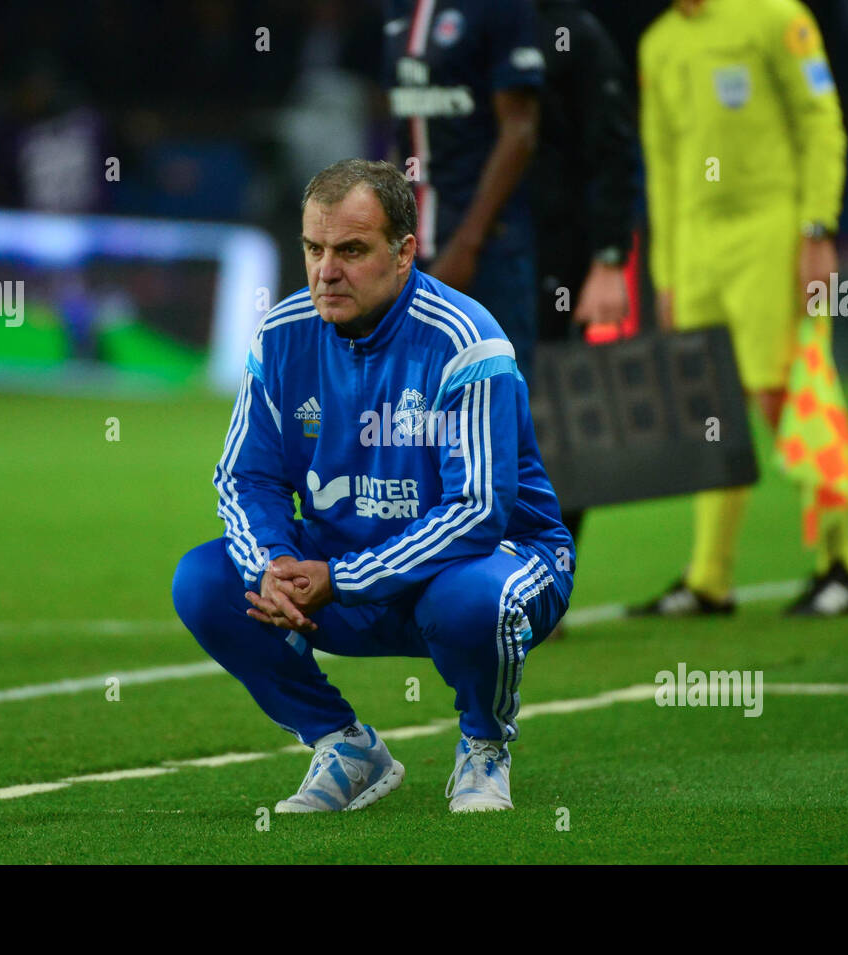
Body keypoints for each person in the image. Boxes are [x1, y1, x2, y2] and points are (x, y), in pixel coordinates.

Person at [172, 159, 574, 813]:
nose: (326, 271)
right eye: (314, 248)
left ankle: (484, 744)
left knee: (473, 598)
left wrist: (344, 578)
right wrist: (272, 563)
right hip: (343, 569)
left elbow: (476, 513)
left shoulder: (465, 342)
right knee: (207, 581)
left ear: (404, 252)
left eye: (351, 250)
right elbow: (246, 478)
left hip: (498, 562)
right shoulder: (280, 336)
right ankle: (342, 744)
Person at [633, 0, 848, 617]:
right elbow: (660, 163)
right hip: (696, 245)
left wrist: (817, 229)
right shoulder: (657, 42)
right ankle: (709, 577)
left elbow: (821, 120)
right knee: (711, 403)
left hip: (773, 231)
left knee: (784, 393)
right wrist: (665, 270)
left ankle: (843, 563)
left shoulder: (775, 16)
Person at [381, 0, 545, 379]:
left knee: (496, 406)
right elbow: (403, 130)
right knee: (409, 409)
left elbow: (520, 130)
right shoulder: (397, 9)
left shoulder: (501, 9)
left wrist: (467, 245)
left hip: (488, 249)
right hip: (412, 251)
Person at [533, 0, 640, 549]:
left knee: (559, 416)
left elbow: (614, 149)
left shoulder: (574, 33)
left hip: (559, 257)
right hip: (477, 251)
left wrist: (608, 258)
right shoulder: (466, 22)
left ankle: (550, 569)